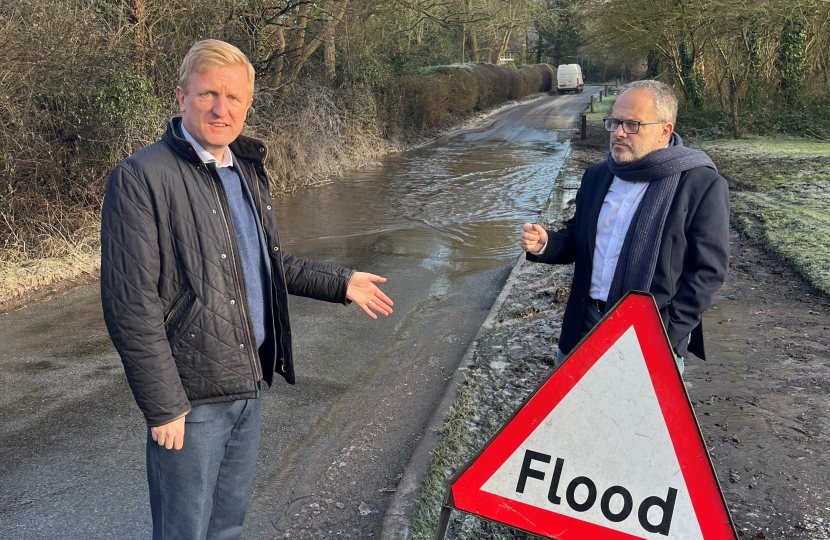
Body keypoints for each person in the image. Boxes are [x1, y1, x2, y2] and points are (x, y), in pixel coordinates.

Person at [100, 39, 393, 540]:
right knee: (183, 531)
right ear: (181, 98)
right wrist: (163, 403)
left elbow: (265, 265)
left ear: (248, 105)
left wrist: (340, 282)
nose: (222, 108)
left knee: (228, 527)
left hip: (246, 385)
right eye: (208, 94)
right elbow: (131, 304)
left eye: (234, 97)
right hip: (190, 401)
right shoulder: (139, 178)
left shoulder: (246, 171)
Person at [520, 80, 729, 371]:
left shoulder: (700, 185)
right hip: (584, 326)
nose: (618, 132)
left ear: (664, 131)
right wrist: (546, 243)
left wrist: (666, 332)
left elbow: (707, 272)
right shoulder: (597, 176)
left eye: (632, 124)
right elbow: (579, 238)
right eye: (615, 122)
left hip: (651, 335)